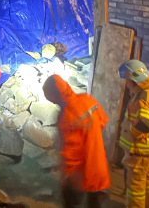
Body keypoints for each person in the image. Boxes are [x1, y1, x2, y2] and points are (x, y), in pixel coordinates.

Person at [43, 75, 111, 208]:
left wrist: (65, 174)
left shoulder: (66, 116)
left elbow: (71, 150)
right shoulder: (88, 99)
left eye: (51, 99)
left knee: (72, 203)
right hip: (98, 167)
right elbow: (103, 120)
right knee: (95, 204)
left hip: (80, 176)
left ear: (55, 96)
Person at [118, 60, 149, 208]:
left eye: (127, 80)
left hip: (139, 152)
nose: (126, 84)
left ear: (134, 81)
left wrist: (135, 133)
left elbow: (145, 123)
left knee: (136, 189)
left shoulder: (141, 100)